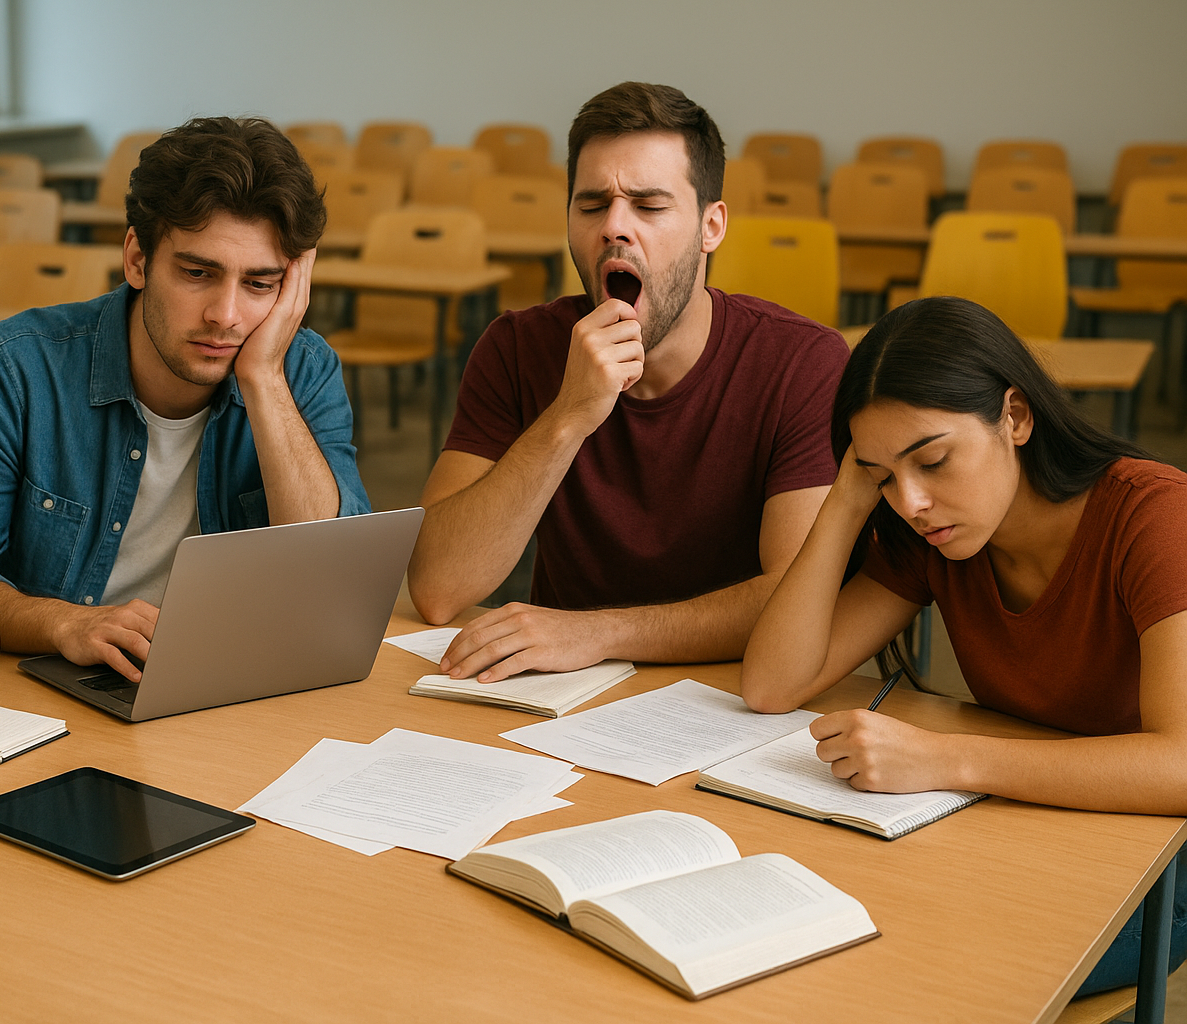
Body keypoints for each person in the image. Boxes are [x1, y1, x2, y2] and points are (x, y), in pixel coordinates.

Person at [740, 295, 1187, 994]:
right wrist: (844, 503)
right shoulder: (936, 541)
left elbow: (1180, 764)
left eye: (934, 461)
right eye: (884, 476)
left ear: (1015, 416)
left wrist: (944, 758)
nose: (911, 502)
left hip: (1156, 872)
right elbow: (771, 685)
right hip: (1022, 832)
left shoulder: (1155, 517)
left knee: (890, 964)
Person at [407, 81, 848, 681]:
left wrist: (602, 632)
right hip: (558, 693)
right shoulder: (517, 348)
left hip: (731, 691)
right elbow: (436, 587)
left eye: (649, 205)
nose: (615, 227)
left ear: (711, 227)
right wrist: (568, 416)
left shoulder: (801, 364)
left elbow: (797, 600)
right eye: (592, 205)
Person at [0, 117, 368, 681]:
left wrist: (262, 380)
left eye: (260, 284)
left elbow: (333, 585)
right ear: (137, 260)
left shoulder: (300, 373)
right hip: (53, 683)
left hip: (232, 683)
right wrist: (63, 624)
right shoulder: (19, 370)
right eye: (198, 273)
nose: (226, 316)